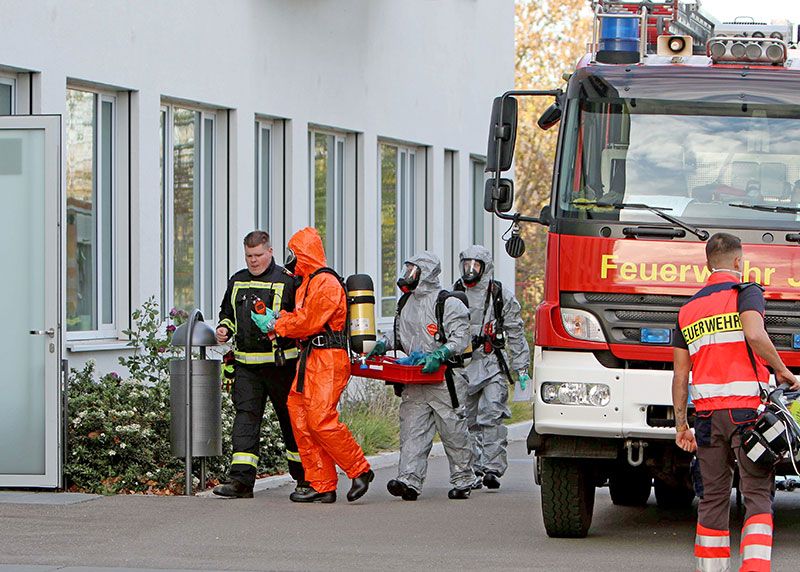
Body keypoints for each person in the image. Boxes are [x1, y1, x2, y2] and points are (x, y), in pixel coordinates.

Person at [672, 232, 799, 572]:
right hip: (748, 414)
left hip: (707, 417)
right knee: (756, 492)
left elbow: (680, 377)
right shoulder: (747, 292)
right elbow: (755, 334)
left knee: (713, 496)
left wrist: (681, 425)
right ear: (739, 262)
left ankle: (712, 569)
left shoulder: (688, 310)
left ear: (707, 264)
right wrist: (783, 370)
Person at [267, 227, 373, 503]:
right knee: (300, 417)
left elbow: (309, 322)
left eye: (293, 253)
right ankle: (321, 483)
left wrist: (279, 324)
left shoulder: (325, 283)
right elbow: (302, 321)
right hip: (311, 358)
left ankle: (359, 469)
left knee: (320, 419)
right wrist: (281, 321)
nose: (290, 259)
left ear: (303, 254)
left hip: (328, 358)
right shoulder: (308, 283)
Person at [370, 251, 477, 500]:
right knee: (412, 430)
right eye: (406, 271)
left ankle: (463, 478)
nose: (407, 277)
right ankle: (409, 479)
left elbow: (460, 338)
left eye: (412, 272)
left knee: (453, 430)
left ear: (425, 274)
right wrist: (381, 344)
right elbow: (399, 336)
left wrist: (439, 354)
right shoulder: (405, 303)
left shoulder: (448, 303)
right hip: (415, 378)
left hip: (444, 379)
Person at [212, 230, 306, 499]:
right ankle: (240, 482)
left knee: (291, 422)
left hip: (282, 367)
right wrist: (224, 329)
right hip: (246, 367)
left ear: (270, 252)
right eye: (248, 256)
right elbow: (227, 314)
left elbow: (301, 320)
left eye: (258, 255)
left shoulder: (289, 281)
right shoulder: (238, 281)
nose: (253, 261)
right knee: (244, 423)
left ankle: (306, 478)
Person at [454, 245, 530, 490]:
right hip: (465, 366)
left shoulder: (500, 296)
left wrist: (521, 369)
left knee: (492, 415)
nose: (471, 270)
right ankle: (474, 468)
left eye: (476, 265)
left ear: (485, 268)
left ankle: (492, 468)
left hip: (492, 363)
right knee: (467, 420)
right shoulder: (454, 294)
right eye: (467, 265)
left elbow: (516, 333)